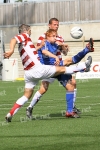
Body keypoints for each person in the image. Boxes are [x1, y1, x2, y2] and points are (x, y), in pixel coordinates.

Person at [4, 24, 92, 122]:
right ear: (28, 30)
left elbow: (32, 51)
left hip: (29, 73)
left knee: (26, 95)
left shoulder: (25, 44)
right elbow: (13, 39)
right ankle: (84, 67)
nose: (30, 33)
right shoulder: (25, 36)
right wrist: (11, 50)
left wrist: (54, 46)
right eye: (30, 31)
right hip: (38, 68)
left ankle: (10, 113)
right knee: (62, 69)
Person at [26, 18, 94, 118]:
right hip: (47, 67)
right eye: (54, 25)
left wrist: (64, 49)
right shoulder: (43, 38)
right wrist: (55, 56)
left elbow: (64, 53)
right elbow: (42, 51)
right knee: (43, 89)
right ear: (49, 26)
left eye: (57, 25)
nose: (56, 26)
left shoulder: (59, 38)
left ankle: (71, 109)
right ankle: (30, 107)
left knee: (72, 83)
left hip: (59, 65)